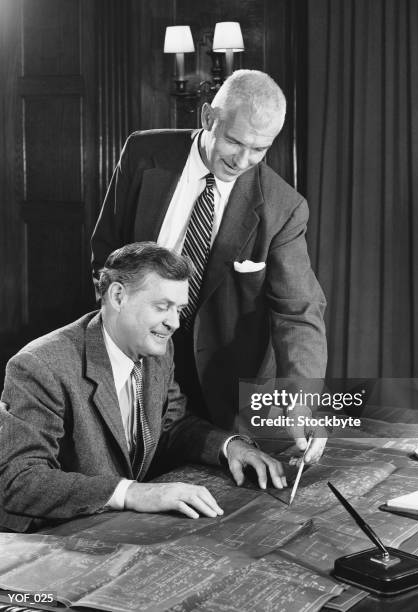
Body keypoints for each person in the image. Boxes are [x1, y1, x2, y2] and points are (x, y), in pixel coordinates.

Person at [91, 69, 328, 463]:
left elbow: (299, 311)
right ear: (207, 118)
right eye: (235, 141)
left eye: (259, 150)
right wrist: (118, 339)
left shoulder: (284, 207)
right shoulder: (142, 154)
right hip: (134, 359)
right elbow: (106, 256)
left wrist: (301, 400)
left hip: (222, 385)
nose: (243, 160)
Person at [0, 243, 286, 533]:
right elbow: (20, 480)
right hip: (46, 537)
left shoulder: (157, 349)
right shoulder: (40, 365)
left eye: (179, 309)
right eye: (162, 307)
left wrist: (230, 446)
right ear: (118, 296)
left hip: (113, 529)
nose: (174, 323)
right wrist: (135, 493)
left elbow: (174, 425)